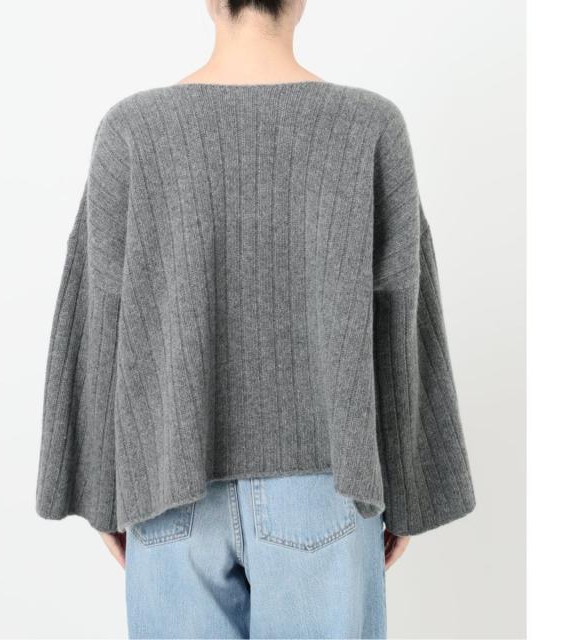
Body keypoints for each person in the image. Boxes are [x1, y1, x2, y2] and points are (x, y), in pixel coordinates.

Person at [35, 0, 476, 637]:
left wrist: (101, 488)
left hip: (168, 486)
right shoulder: (368, 125)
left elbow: (99, 313)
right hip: (326, 486)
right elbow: (400, 318)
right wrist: (407, 489)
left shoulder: (134, 129)